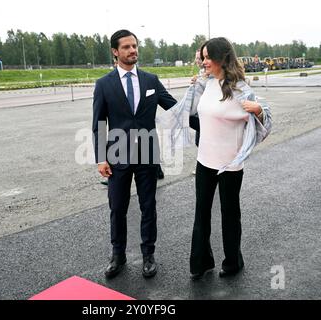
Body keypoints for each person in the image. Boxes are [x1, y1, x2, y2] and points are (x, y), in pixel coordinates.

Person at [92, 29, 177, 278]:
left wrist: (202, 111)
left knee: (148, 206)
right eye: (127, 47)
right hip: (117, 156)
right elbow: (98, 123)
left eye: (135, 46)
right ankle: (118, 256)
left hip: (147, 155)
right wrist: (100, 157)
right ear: (115, 52)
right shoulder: (104, 84)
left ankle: (148, 255)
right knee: (118, 208)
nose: (133, 50)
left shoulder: (151, 80)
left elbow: (174, 107)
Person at [189, 37, 271, 280]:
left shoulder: (241, 89)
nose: (203, 62)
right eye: (201, 57)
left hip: (230, 165)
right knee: (201, 213)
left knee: (229, 213)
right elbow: (197, 116)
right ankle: (201, 262)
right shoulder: (207, 84)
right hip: (204, 161)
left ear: (221, 59)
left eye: (206, 57)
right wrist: (194, 87)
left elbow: (266, 120)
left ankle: (233, 261)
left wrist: (258, 111)